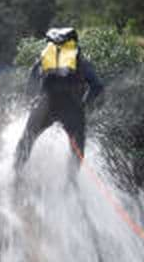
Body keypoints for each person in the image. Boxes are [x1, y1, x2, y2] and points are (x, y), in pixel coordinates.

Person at [14, 27, 103, 171]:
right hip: (72, 107)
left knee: (27, 139)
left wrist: (33, 101)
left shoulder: (45, 59)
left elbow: (31, 83)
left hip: (46, 104)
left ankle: (15, 175)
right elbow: (97, 86)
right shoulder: (80, 62)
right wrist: (84, 104)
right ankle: (71, 184)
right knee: (77, 150)